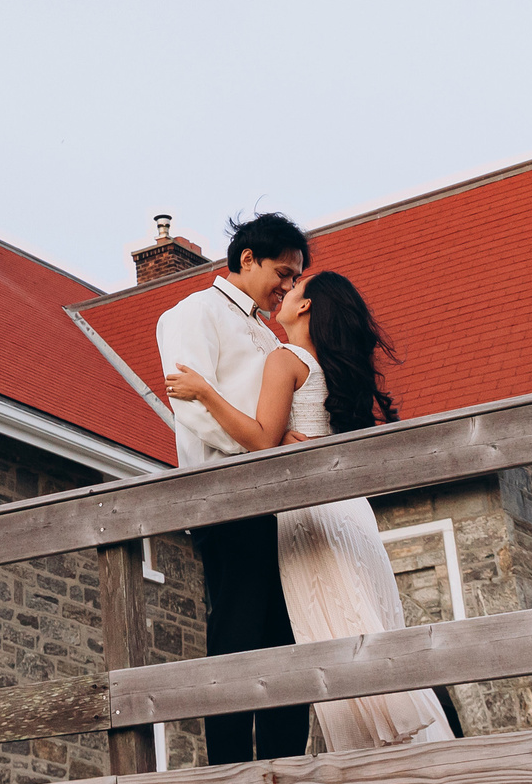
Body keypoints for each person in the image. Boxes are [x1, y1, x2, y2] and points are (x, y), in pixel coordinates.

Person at [166, 269, 455, 751]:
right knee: (362, 625)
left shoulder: (285, 359)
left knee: (325, 630)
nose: (285, 291)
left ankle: (375, 757)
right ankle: (406, 750)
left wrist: (204, 392)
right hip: (351, 514)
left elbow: (260, 439)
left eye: (294, 287)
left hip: (308, 516)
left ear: (305, 307)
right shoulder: (334, 370)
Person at [151, 211, 314, 762]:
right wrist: (257, 445)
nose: (288, 287)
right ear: (248, 259)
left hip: (272, 500)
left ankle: (283, 767)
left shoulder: (264, 331)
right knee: (236, 633)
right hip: (224, 496)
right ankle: (227, 769)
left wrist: (278, 436)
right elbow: (189, 405)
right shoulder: (192, 312)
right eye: (284, 273)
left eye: (295, 279)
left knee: (283, 637)